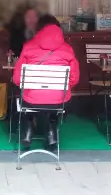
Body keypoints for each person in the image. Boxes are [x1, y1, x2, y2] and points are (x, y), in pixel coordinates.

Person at [12, 14, 80, 148]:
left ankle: (29, 127)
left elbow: (17, 79)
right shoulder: (68, 49)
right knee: (54, 99)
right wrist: (61, 87)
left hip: (31, 101)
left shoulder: (28, 47)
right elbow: (74, 79)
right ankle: (52, 129)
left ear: (39, 29)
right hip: (59, 101)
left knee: (27, 97)